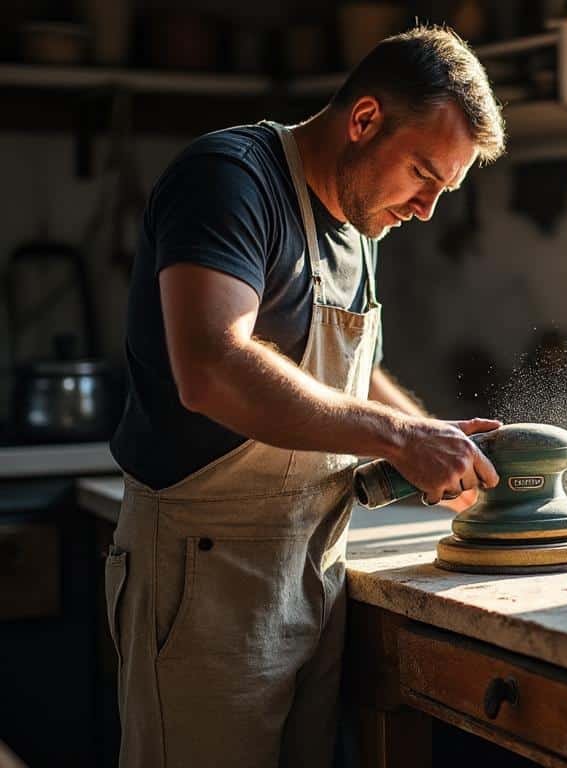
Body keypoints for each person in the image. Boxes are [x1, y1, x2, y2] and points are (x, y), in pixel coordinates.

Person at [104, 25, 504, 767]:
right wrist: (399, 438)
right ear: (363, 121)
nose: (426, 210)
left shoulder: (359, 229)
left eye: (443, 189)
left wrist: (435, 441)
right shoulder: (231, 178)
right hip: (204, 575)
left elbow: (353, 380)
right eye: (422, 174)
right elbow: (212, 365)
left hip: (313, 571)